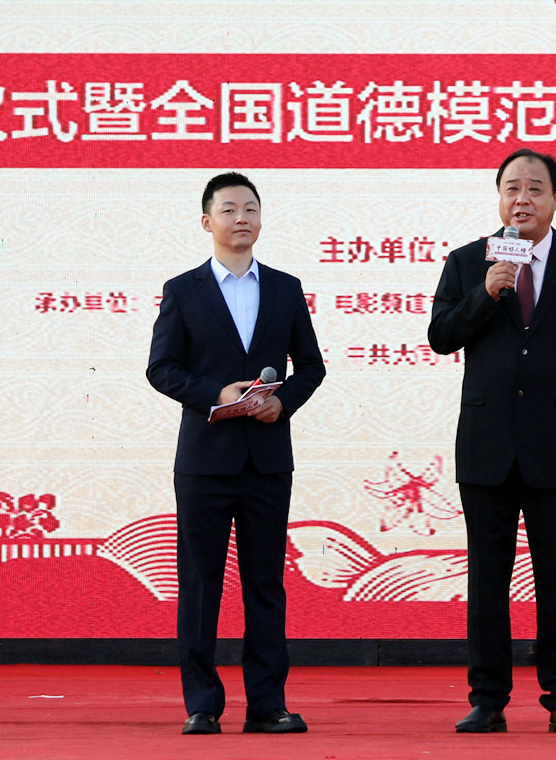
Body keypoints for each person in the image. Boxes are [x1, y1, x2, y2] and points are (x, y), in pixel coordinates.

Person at [427, 148, 556, 734]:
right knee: (487, 580)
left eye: (535, 188)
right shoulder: (468, 262)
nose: (523, 199)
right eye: (512, 188)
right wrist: (485, 293)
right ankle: (488, 698)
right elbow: (440, 336)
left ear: (555, 198)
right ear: (498, 197)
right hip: (486, 446)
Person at [146, 172, 326, 735]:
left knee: (265, 583)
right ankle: (202, 704)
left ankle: (267, 704)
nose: (241, 217)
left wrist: (283, 403)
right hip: (205, 460)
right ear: (208, 222)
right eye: (228, 209)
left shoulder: (285, 289)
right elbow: (161, 368)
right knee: (200, 584)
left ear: (261, 219)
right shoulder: (184, 290)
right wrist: (215, 395)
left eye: (250, 208)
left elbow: (312, 366)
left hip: (267, 459)